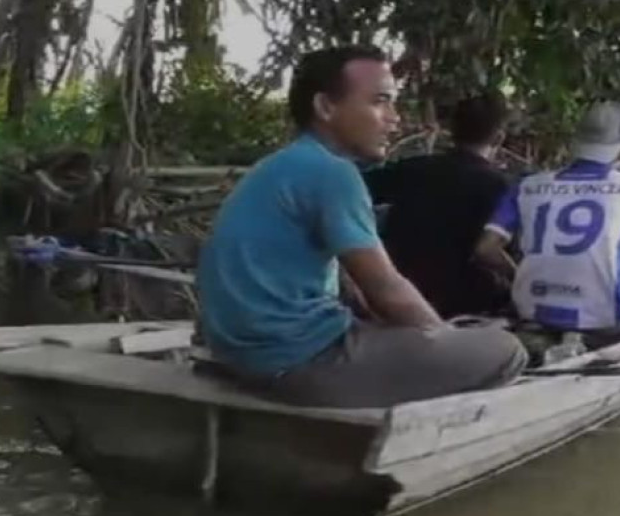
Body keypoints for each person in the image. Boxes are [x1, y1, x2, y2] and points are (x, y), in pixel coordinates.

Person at [195, 46, 528, 409]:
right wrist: (442, 341)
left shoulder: (284, 164)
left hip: (240, 356)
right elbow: (386, 289)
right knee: (506, 350)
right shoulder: (333, 172)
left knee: (407, 332)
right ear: (325, 107)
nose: (394, 119)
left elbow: (353, 288)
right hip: (298, 363)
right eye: (380, 102)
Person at [473, 101, 620, 332]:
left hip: (531, 306)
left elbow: (485, 249)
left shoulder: (526, 185)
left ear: (573, 145)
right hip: (608, 314)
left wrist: (520, 277)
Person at [361, 90, 514, 318]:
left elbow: (354, 189)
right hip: (466, 304)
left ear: (451, 132)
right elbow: (491, 252)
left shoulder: (412, 169)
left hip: (398, 296)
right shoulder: (501, 187)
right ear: (498, 138)